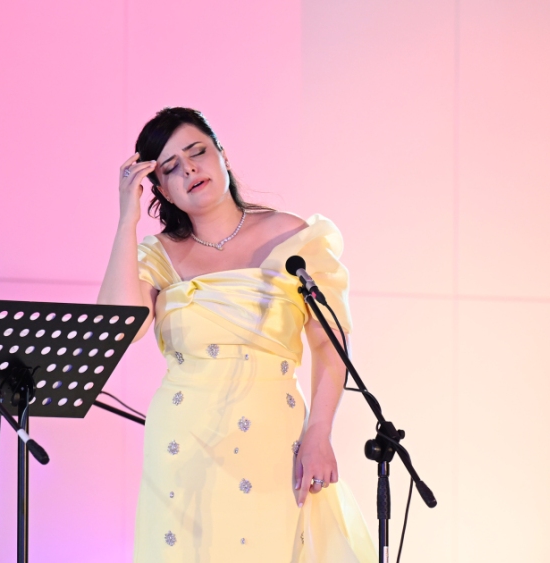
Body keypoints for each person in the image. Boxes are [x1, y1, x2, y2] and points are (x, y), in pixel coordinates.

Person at [98, 107, 376, 562]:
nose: (189, 169)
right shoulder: (158, 255)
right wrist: (126, 221)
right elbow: (116, 331)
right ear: (160, 190)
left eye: (197, 152)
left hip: (275, 437)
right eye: (170, 167)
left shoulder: (292, 236)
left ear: (222, 155)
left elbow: (330, 342)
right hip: (184, 444)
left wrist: (319, 432)